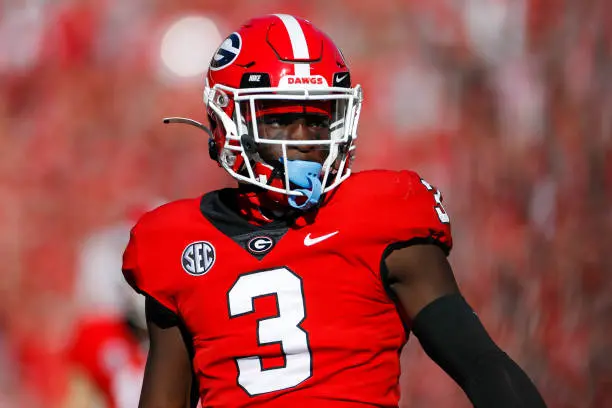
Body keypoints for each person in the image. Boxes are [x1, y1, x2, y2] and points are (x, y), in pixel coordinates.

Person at [122, 14, 547, 408]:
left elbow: (481, 364)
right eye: (280, 118)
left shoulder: (381, 214)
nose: (303, 138)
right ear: (227, 121)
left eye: (317, 119)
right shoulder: (174, 242)